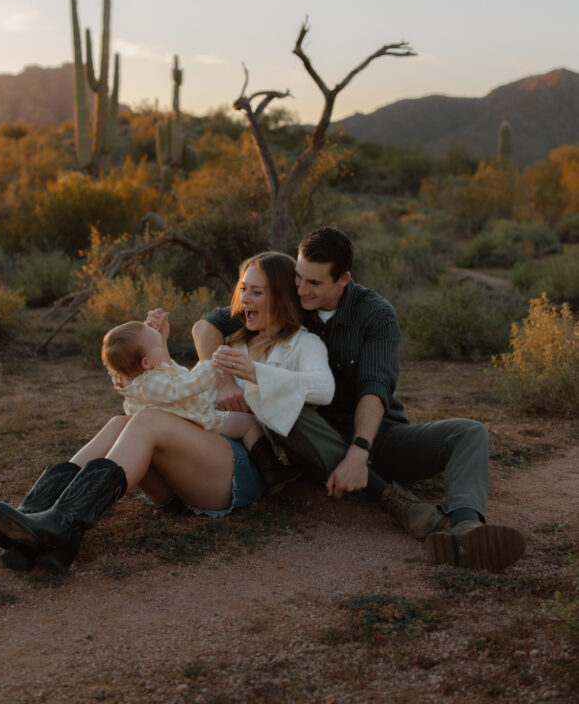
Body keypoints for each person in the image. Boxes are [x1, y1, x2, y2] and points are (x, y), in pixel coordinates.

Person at [0, 251, 333, 573]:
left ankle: (61, 526)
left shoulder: (304, 344)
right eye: (242, 289)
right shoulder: (236, 338)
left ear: (280, 297)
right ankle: (32, 519)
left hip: (241, 469)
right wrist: (163, 350)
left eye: (256, 291)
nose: (243, 298)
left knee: (147, 420)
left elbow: (324, 388)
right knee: (119, 422)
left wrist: (255, 372)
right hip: (192, 462)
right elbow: (181, 394)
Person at [193, 227, 526, 573]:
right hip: (309, 438)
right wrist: (221, 381)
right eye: (299, 278)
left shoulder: (376, 315)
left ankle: (467, 528)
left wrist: (359, 450)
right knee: (288, 400)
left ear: (343, 279)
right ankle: (404, 507)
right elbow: (206, 326)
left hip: (378, 436)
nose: (302, 290)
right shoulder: (289, 296)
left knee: (469, 432)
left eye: (315, 284)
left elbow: (375, 388)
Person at [101, 313, 300, 492]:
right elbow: (185, 384)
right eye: (157, 345)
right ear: (146, 362)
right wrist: (214, 363)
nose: (160, 345)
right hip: (201, 419)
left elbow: (165, 371)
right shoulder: (154, 384)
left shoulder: (131, 381)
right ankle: (271, 470)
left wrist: (157, 340)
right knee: (248, 424)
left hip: (178, 428)